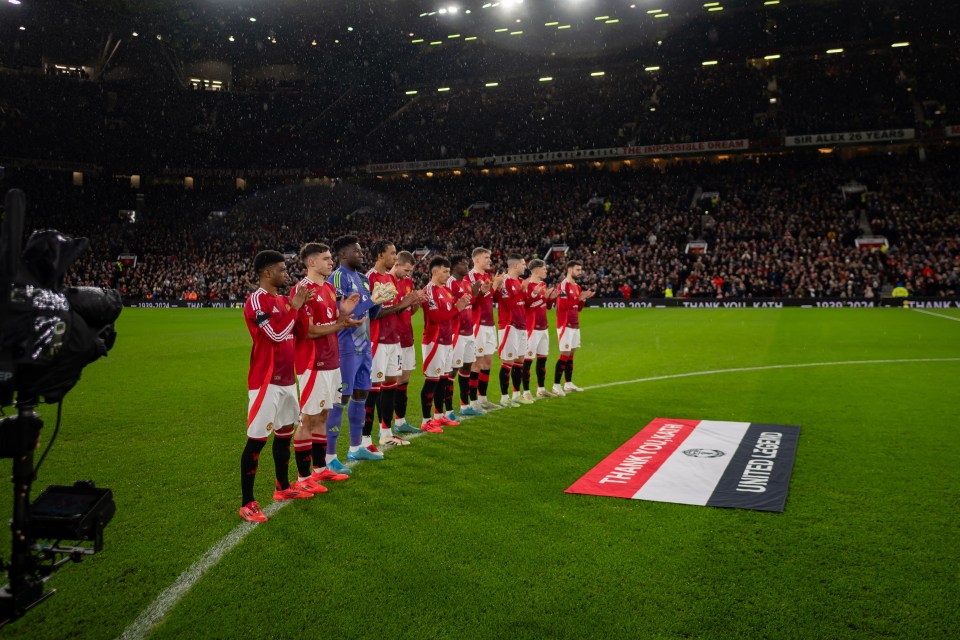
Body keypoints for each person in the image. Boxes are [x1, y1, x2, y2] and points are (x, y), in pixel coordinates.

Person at [239, 250, 314, 523]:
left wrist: (302, 306)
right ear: (267, 273)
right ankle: (247, 502)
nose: (286, 274)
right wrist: (294, 307)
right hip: (265, 382)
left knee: (284, 436)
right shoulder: (256, 301)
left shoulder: (284, 301)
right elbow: (276, 334)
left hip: (287, 380)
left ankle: (282, 487)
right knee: (257, 441)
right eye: (282, 270)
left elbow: (301, 334)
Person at [290, 243, 361, 493]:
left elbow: (331, 323)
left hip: (332, 361)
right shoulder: (302, 290)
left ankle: (319, 470)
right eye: (326, 258)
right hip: (312, 363)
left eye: (331, 258)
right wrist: (339, 326)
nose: (331, 262)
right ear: (311, 263)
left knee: (323, 415)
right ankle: (302, 477)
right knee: (308, 419)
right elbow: (307, 331)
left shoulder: (329, 288)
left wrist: (344, 317)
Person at [326, 236, 394, 468]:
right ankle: (330, 457)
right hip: (345, 349)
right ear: (343, 254)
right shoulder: (337, 277)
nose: (362, 253)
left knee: (360, 397)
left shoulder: (364, 279)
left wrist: (380, 301)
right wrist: (371, 301)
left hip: (365, 348)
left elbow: (370, 316)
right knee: (340, 399)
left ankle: (356, 448)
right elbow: (342, 315)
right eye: (357, 251)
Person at [365, 240, 423, 449]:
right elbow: (374, 313)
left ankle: (386, 433)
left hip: (394, 339)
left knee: (390, 386)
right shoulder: (370, 278)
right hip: (377, 341)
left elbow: (395, 310)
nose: (395, 257)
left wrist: (409, 304)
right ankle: (363, 440)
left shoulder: (391, 279)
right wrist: (402, 304)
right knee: (373, 390)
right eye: (392, 253)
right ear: (381, 255)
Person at [421, 256, 471, 432]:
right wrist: (457, 308)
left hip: (446, 340)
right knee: (431, 381)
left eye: (449, 271)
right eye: (445, 271)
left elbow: (450, 315)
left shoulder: (445, 290)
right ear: (434, 272)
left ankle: (438, 416)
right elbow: (435, 318)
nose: (448, 274)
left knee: (442, 380)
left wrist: (460, 307)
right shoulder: (430, 290)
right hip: (433, 341)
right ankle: (426, 420)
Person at [466, 248, 504, 411]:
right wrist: (487, 289)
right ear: (476, 260)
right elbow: (471, 302)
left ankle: (483, 398)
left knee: (487, 362)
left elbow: (493, 298)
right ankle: (473, 401)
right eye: (486, 257)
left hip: (489, 324)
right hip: (478, 324)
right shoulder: (470, 277)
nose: (490, 260)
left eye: (490, 257)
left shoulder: (487, 276)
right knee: (476, 363)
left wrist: (497, 286)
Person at [389, 250, 422, 434]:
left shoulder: (408, 282)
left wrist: (416, 303)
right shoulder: (387, 282)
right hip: (394, 339)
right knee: (391, 382)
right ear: (397, 264)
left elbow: (409, 311)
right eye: (406, 270)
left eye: (410, 271)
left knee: (404, 381)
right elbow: (384, 312)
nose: (408, 274)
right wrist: (405, 303)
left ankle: (400, 421)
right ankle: (385, 427)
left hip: (408, 337)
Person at [448, 255, 485, 419]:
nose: (467, 265)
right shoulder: (450, 283)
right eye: (463, 263)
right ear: (455, 266)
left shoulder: (467, 283)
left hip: (469, 332)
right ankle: (447, 411)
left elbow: (473, 305)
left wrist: (477, 294)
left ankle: (465, 405)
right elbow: (449, 308)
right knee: (452, 371)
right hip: (456, 333)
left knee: (467, 368)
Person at [553, 260, 595, 396]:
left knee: (571, 355)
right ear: (570, 270)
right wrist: (579, 298)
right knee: (564, 355)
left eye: (580, 270)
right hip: (565, 325)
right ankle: (556, 385)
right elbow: (563, 306)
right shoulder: (563, 286)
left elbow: (578, 308)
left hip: (575, 324)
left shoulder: (577, 287)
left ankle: (568, 384)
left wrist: (582, 300)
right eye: (578, 270)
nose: (580, 272)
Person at [496, 254, 532, 407]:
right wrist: (521, 290)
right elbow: (507, 304)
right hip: (509, 326)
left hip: (522, 325)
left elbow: (523, 304)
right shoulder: (505, 281)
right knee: (508, 362)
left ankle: (516, 395)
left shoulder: (519, 282)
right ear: (515, 266)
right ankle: (504, 398)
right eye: (524, 264)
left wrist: (532, 294)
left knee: (519, 362)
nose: (525, 267)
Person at [524, 259, 559, 400]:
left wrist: (550, 299)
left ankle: (541, 389)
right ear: (536, 270)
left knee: (542, 360)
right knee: (527, 360)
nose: (546, 271)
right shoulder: (526, 285)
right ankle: (525, 392)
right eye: (544, 269)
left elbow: (546, 306)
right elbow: (525, 306)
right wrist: (538, 297)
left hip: (544, 327)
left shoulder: (543, 284)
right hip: (531, 328)